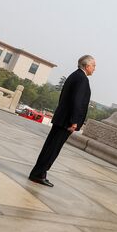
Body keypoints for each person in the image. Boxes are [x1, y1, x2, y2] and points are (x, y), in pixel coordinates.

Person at [29, 55, 95, 187]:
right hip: (66, 121)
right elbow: (76, 102)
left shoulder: (75, 75)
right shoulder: (82, 79)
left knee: (50, 147)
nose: (94, 69)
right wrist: (74, 121)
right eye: (93, 65)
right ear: (87, 66)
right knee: (52, 149)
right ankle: (38, 174)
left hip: (62, 118)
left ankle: (40, 173)